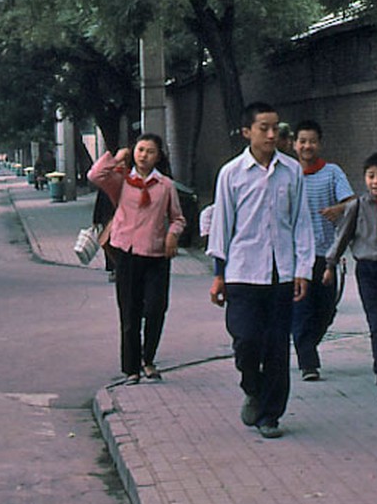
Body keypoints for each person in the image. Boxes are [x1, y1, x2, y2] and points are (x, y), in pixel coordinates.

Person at [207, 101, 314, 439]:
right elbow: (222, 225)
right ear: (246, 132)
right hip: (242, 272)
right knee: (247, 340)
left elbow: (301, 222)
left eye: (276, 128)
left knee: (278, 347)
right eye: (263, 128)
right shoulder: (231, 173)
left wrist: (303, 269)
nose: (271, 134)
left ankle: (270, 414)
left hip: (281, 273)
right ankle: (252, 387)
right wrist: (218, 273)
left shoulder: (291, 170)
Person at [87, 135, 186, 384]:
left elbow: (178, 218)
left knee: (155, 309)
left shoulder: (165, 186)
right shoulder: (122, 181)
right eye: (140, 150)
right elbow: (95, 175)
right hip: (128, 254)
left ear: (158, 156)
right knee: (129, 313)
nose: (144, 155)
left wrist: (173, 235)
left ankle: (148, 359)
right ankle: (131, 368)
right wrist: (118, 157)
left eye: (150, 151)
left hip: (156, 255)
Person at [323, 151, 377, 402]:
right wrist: (330, 265)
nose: (376, 181)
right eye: (371, 176)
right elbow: (342, 235)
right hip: (368, 271)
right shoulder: (357, 206)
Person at [291, 120, 355, 381]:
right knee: (302, 309)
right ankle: (308, 362)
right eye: (302, 141)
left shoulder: (332, 172)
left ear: (320, 143)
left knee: (327, 310)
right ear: (295, 144)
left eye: (312, 141)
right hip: (296, 257)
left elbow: (352, 203)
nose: (307, 146)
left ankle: (307, 345)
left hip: (327, 255)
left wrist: (337, 210)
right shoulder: (288, 173)